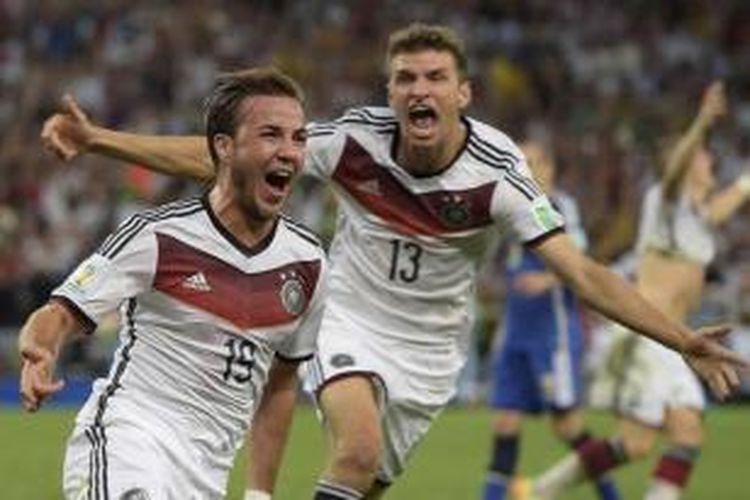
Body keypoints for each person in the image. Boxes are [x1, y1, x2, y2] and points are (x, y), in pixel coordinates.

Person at [41, 24, 744, 500]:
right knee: (356, 449)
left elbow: (584, 275)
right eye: (404, 77)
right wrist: (102, 139)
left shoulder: (499, 173)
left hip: (431, 353)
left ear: (462, 93)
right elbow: (226, 154)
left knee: (364, 478)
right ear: (390, 93)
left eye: (435, 77)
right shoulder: (355, 141)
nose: (418, 90)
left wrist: (681, 338)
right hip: (347, 318)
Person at [21, 68, 327, 499]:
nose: (290, 151)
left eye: (298, 138)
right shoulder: (157, 236)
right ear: (223, 147)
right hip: (126, 442)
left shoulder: (309, 262)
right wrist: (41, 347)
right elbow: (60, 312)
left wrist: (260, 493)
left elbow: (280, 382)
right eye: (271, 135)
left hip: (204, 477)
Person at [521, 81, 749, 500]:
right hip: (649, 336)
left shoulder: (698, 215)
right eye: (702, 155)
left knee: (657, 440)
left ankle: (537, 491)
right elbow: (678, 165)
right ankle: (539, 490)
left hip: (677, 342)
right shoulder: (665, 200)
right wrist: (700, 123)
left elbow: (735, 194)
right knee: (672, 434)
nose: (709, 159)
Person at [482, 141, 619, 500]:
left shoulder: (560, 205)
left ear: (550, 168)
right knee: (505, 421)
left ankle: (610, 493)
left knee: (567, 425)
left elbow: (581, 260)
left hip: (551, 333)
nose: (523, 167)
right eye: (520, 161)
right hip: (516, 331)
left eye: (532, 161)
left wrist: (548, 279)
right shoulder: (509, 204)